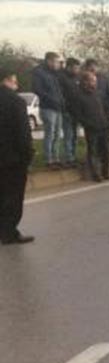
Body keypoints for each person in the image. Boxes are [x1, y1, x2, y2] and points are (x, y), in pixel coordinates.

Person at [0, 65, 36, 245]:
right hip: (12, 158)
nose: (17, 84)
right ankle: (8, 232)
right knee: (13, 196)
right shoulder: (16, 102)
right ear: (6, 80)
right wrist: (28, 155)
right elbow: (23, 133)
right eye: (14, 80)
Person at [70, 72, 109, 182]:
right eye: (92, 80)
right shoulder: (79, 96)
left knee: (106, 150)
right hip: (91, 128)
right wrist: (88, 124)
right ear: (85, 82)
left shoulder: (99, 93)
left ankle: (105, 172)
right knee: (93, 151)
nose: (95, 83)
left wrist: (107, 121)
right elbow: (78, 114)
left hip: (103, 126)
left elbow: (105, 108)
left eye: (95, 80)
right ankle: (95, 174)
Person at [31, 52, 65, 169]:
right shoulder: (39, 72)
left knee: (57, 134)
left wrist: (61, 101)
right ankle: (49, 159)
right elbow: (37, 89)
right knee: (49, 134)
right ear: (49, 61)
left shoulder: (55, 74)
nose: (57, 64)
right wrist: (53, 100)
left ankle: (56, 158)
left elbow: (59, 90)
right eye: (56, 61)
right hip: (47, 107)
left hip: (58, 107)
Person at [58, 57, 81, 168]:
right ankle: (68, 157)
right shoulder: (61, 78)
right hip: (67, 110)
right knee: (69, 135)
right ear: (69, 67)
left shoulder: (77, 78)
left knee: (75, 135)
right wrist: (64, 107)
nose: (77, 70)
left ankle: (73, 155)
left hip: (76, 111)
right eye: (75, 68)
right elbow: (60, 94)